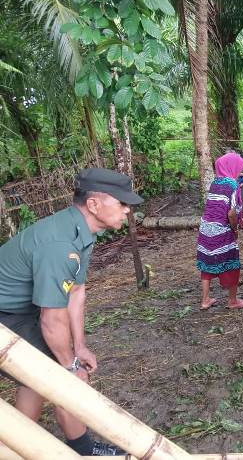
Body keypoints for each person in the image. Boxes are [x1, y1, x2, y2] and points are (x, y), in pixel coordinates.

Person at [0, 167, 143, 456]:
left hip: (20, 309)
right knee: (60, 376)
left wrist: (79, 348)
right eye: (121, 203)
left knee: (41, 372)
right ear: (93, 204)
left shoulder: (82, 230)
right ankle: (79, 449)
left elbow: (75, 293)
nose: (128, 211)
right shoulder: (61, 244)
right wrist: (70, 366)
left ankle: (17, 445)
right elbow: (52, 319)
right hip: (6, 313)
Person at [196, 153, 243, 310]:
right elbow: (231, 213)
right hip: (221, 230)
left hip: (206, 229)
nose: (240, 169)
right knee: (231, 262)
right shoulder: (232, 185)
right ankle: (233, 301)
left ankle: (205, 299)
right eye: (239, 167)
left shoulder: (215, 182)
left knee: (207, 263)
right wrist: (235, 228)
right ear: (232, 167)